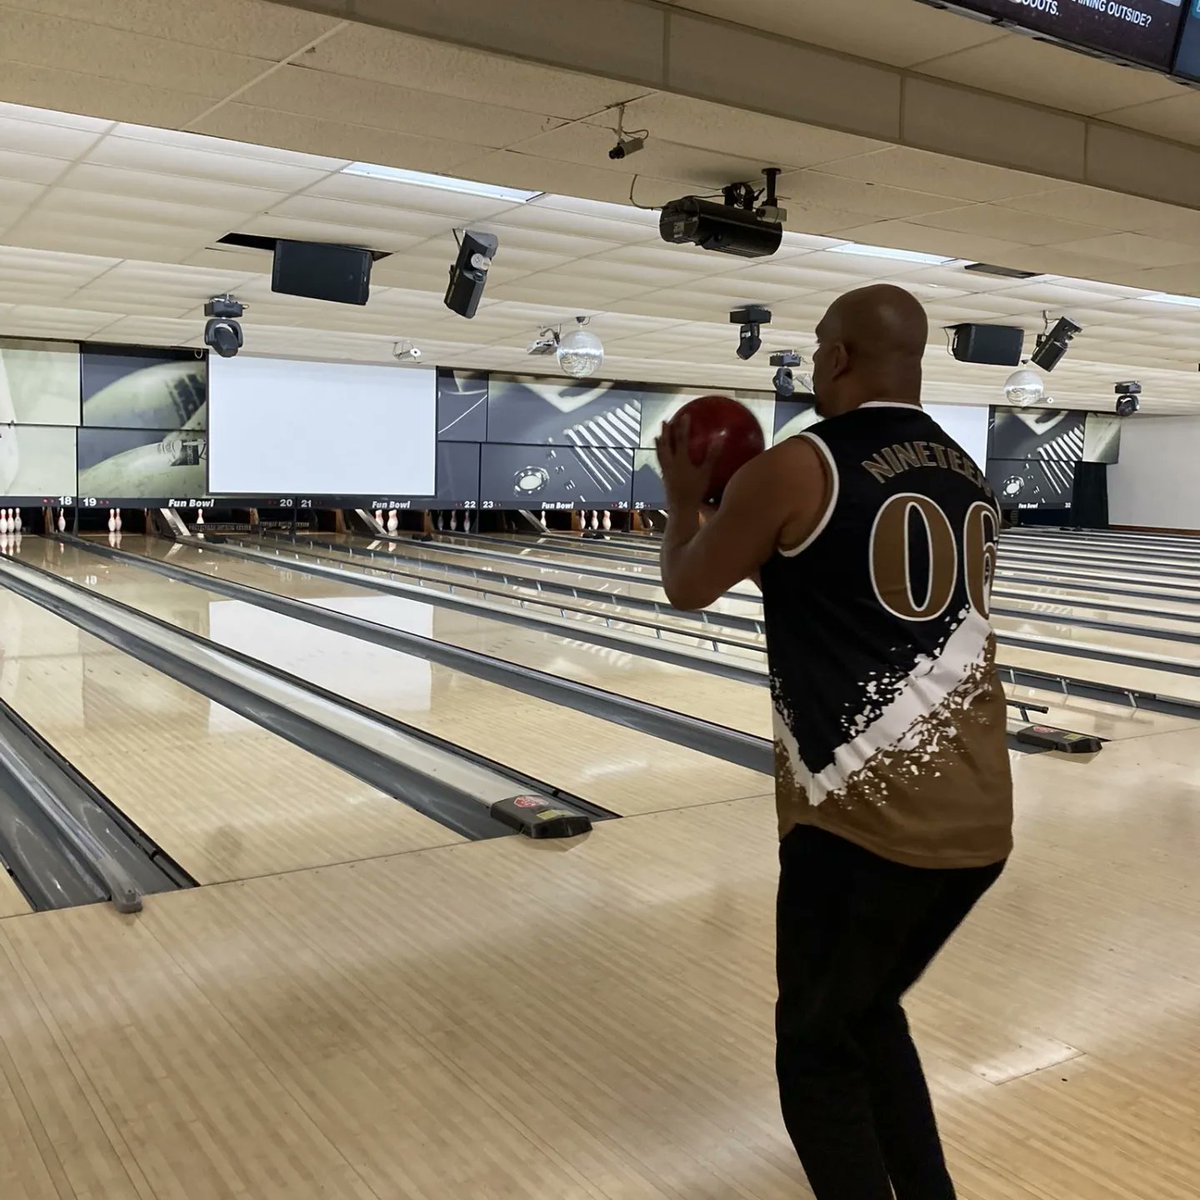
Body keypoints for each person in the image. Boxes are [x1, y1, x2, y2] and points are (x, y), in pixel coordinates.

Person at [656, 284, 1013, 1200]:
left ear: (843, 356)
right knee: (865, 1018)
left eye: (817, 348)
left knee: (813, 1057)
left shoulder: (795, 467)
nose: (811, 363)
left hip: (865, 828)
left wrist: (680, 495)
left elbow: (689, 587)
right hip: (979, 826)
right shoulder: (965, 470)